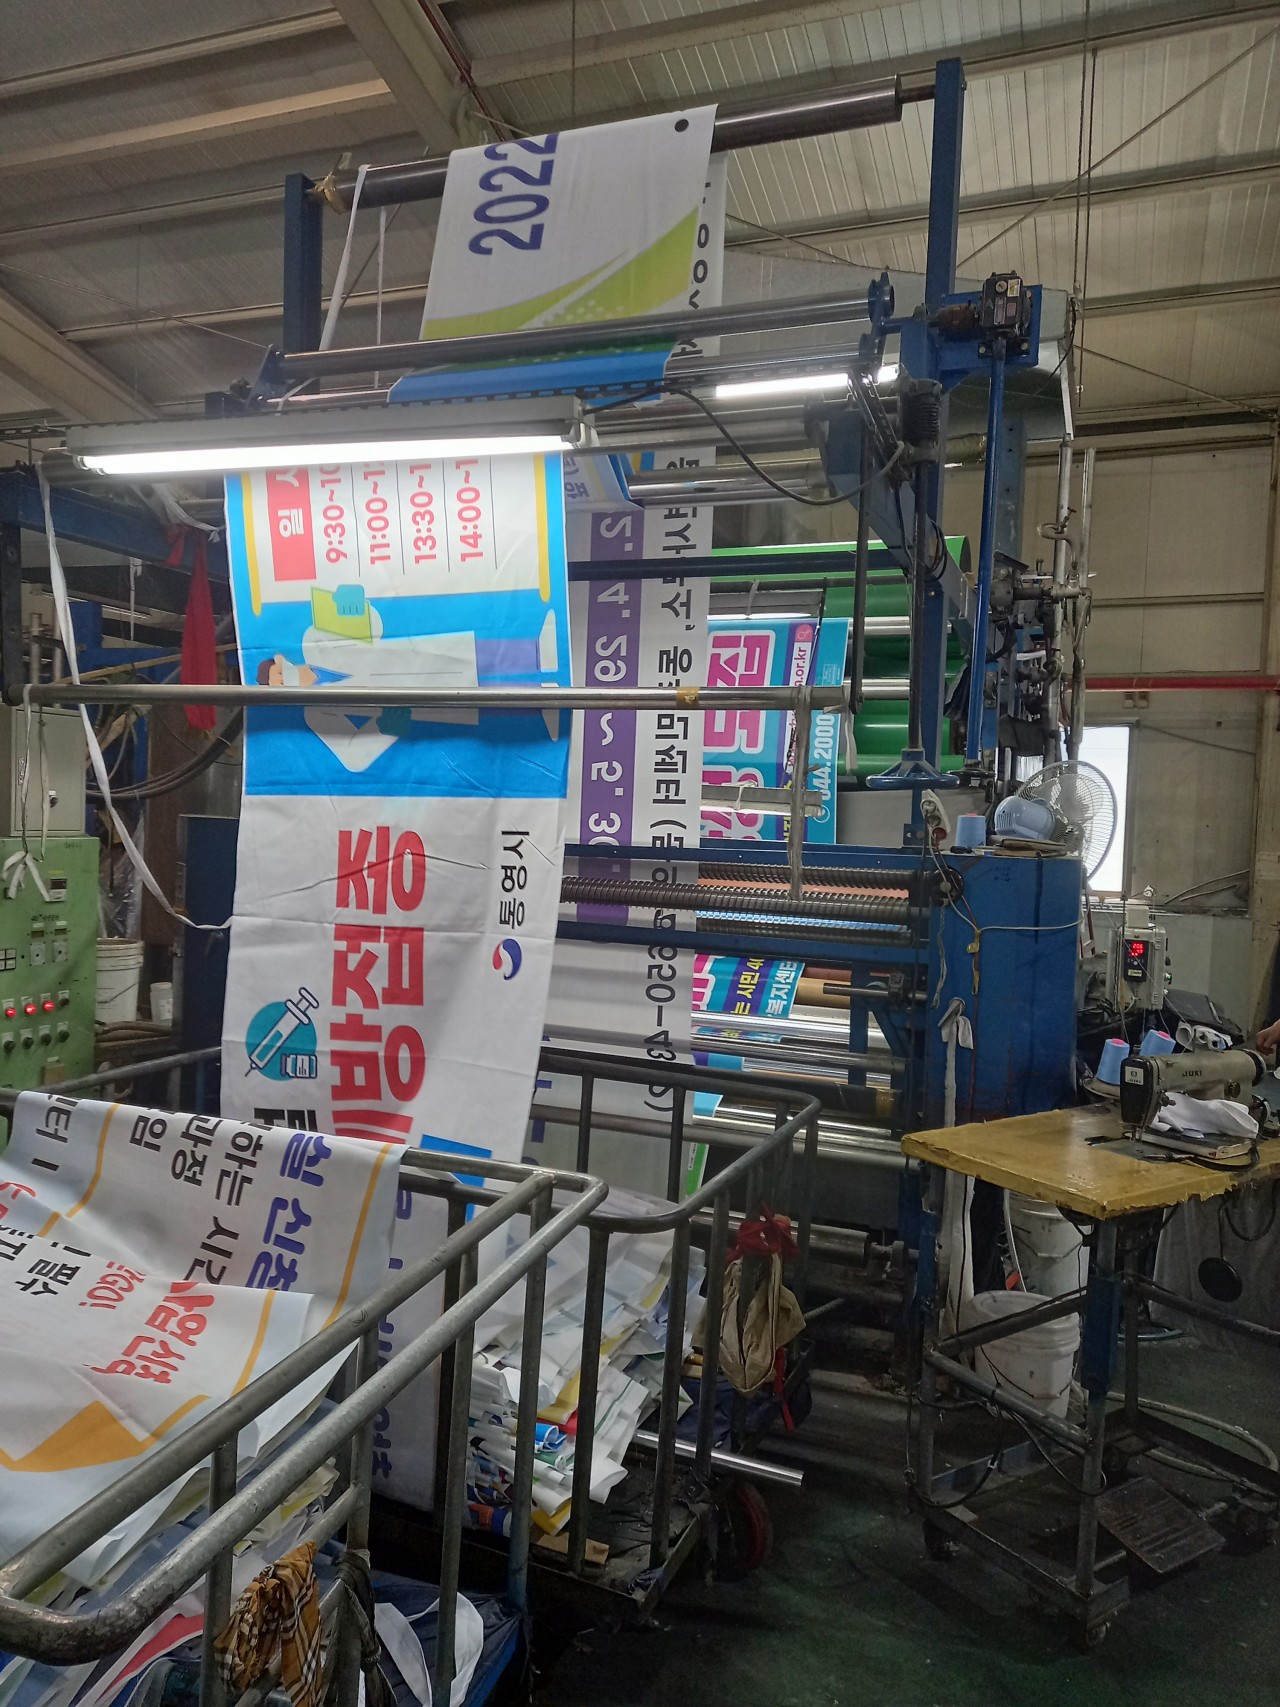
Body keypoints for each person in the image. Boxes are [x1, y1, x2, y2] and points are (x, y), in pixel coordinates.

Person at [256, 587, 558, 772]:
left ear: (282, 660)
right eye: (279, 685)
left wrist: (355, 609)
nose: (284, 680)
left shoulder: (313, 641)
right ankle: (542, 703)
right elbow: (353, 756)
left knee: (478, 655)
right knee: (478, 702)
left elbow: (372, 627)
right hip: (410, 699)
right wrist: (385, 726)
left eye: (279, 673)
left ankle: (537, 653)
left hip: (409, 656)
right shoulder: (315, 712)